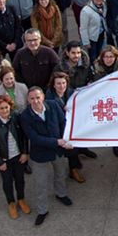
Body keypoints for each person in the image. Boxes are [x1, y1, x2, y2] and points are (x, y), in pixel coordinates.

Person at [20, 87, 74, 226]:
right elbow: (34, 138)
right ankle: (42, 210)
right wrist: (57, 141)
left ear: (43, 96)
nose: (36, 101)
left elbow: (63, 123)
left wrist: (67, 139)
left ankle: (61, 194)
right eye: (32, 98)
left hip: (58, 150)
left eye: (38, 97)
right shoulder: (25, 116)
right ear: (28, 100)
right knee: (41, 183)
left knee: (61, 174)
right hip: (40, 154)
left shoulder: (54, 105)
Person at [0, 95, 31, 219]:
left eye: (7, 108)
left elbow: (23, 136)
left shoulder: (16, 117)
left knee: (20, 179)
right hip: (4, 159)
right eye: (2, 108)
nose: (5, 111)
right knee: (7, 182)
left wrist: (24, 152)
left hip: (18, 157)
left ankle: (21, 199)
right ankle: (11, 203)